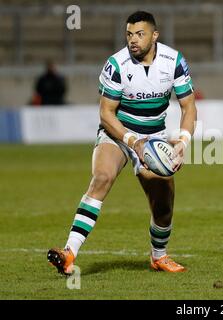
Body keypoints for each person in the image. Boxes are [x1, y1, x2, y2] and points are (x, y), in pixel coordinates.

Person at [47, 11, 197, 274]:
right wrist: (131, 141)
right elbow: (106, 113)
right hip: (118, 133)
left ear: (155, 35)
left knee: (163, 204)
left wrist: (183, 142)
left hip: (154, 137)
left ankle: (159, 256)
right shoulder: (116, 65)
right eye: (129, 34)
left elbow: (189, 107)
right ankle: (69, 252)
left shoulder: (174, 61)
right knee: (102, 177)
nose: (133, 40)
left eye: (140, 34)